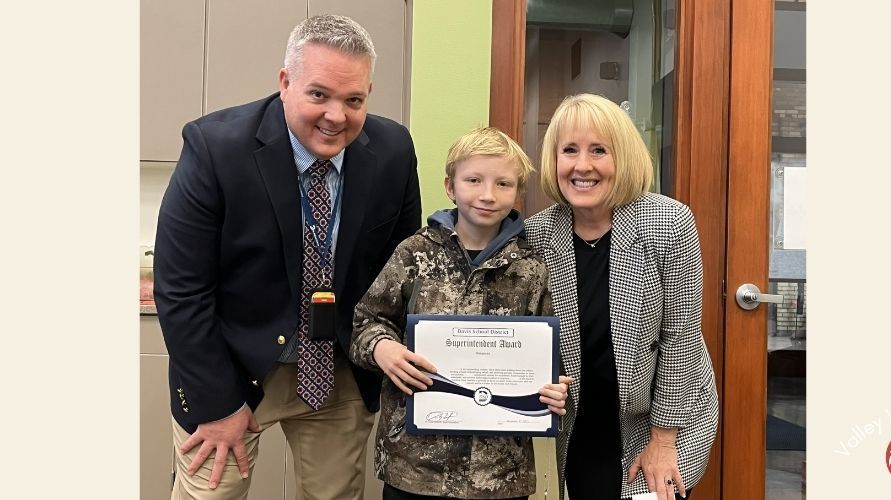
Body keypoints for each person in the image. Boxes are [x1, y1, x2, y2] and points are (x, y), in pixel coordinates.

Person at [154, 15, 421, 499]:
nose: (336, 115)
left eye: (354, 99)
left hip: (338, 369)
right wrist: (217, 406)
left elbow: (399, 278)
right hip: (231, 367)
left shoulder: (394, 151)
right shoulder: (216, 148)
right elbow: (181, 288)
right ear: (285, 83)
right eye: (319, 94)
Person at [349, 127, 571, 499]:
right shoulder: (415, 253)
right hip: (413, 467)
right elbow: (365, 322)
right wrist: (382, 349)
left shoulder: (533, 266)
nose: (487, 195)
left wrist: (556, 387)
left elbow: (557, 353)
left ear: (517, 193)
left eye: (503, 184)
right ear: (451, 187)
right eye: (474, 180)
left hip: (500, 473)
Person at [524, 94, 719, 500]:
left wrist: (663, 441)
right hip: (582, 421)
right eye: (569, 151)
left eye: (599, 150)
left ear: (624, 156)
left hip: (666, 416)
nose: (582, 166)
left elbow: (681, 338)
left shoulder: (670, 223)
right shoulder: (536, 234)